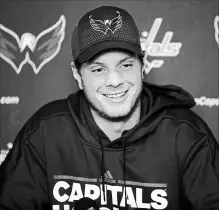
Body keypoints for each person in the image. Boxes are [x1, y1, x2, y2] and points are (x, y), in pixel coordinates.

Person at [0, 5, 218, 210]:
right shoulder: (46, 131)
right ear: (77, 75)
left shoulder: (185, 133)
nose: (114, 80)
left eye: (125, 65)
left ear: (142, 66)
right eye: (98, 69)